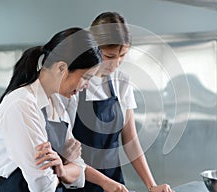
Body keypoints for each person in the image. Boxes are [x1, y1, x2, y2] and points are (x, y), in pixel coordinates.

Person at [66, 12, 174, 192]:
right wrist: (103, 182)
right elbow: (63, 147)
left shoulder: (121, 82)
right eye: (110, 56)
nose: (116, 64)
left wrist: (151, 185)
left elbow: (130, 139)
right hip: (77, 181)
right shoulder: (75, 83)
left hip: (113, 181)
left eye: (122, 55)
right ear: (94, 47)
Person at [0, 27, 102, 192]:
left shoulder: (58, 102)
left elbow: (78, 168)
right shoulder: (22, 104)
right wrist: (64, 166)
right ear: (61, 68)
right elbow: (42, 185)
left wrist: (62, 167)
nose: (87, 85)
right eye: (86, 77)